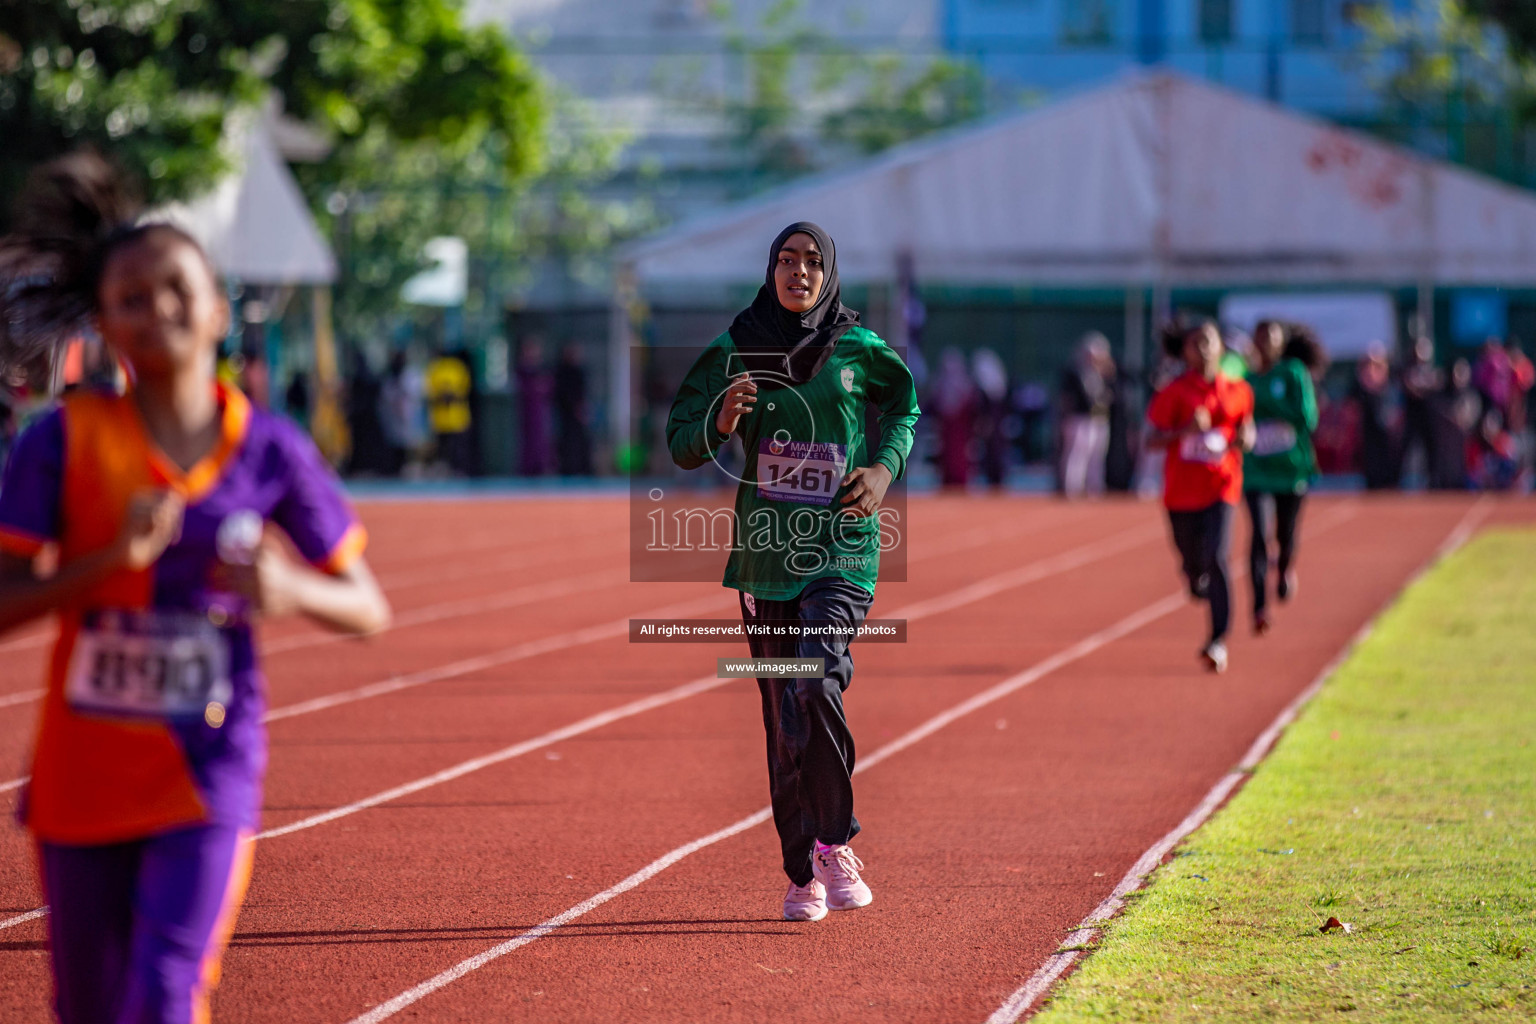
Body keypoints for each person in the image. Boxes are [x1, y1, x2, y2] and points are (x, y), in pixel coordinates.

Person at [0, 152, 391, 1024]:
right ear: (102, 321)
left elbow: (368, 606)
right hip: (82, 776)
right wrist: (108, 564)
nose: (157, 310)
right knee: (90, 1009)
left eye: (176, 288)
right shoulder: (59, 443)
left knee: (169, 994)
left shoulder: (271, 449)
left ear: (219, 305)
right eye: (130, 298)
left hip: (207, 774)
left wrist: (289, 589)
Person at [666, 222, 919, 923]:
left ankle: (836, 843)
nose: (798, 272)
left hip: (841, 549)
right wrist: (717, 424)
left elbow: (905, 404)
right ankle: (800, 871)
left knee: (815, 678)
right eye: (785, 260)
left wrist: (883, 466)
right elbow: (680, 440)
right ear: (770, 269)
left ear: (829, 273)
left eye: (812, 262)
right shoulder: (734, 349)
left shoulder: (858, 348)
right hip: (765, 560)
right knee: (784, 721)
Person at [1146, 318, 1255, 673]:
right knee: (1194, 564)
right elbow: (1150, 440)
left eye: (1209, 341)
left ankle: (1217, 640)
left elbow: (1246, 428)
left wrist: (1246, 440)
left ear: (1221, 347)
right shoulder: (1175, 392)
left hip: (1222, 486)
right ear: (1185, 351)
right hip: (1181, 493)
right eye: (1196, 343)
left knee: (1218, 558)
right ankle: (1195, 580)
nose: (1204, 348)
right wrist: (1185, 431)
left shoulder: (1239, 390)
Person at [1242, 321, 1322, 635]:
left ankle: (1286, 567)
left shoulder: (1293, 373)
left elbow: (1307, 417)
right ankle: (1259, 607)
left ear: (1281, 343)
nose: (1264, 344)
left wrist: (1270, 406)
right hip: (1256, 471)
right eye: (1259, 338)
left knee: (1285, 537)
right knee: (1259, 536)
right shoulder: (1246, 378)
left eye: (1270, 338)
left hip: (1291, 470)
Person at [1057, 332, 1113, 497]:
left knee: (1097, 456)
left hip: (1099, 418)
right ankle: (1072, 488)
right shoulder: (1074, 372)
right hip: (1079, 419)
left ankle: (1094, 487)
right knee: (1077, 454)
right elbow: (1067, 398)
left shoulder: (1104, 373)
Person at [1350, 341, 1397, 489]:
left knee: (1386, 455)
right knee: (1370, 457)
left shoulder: (1387, 380)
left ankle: (1388, 481)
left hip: (1384, 426)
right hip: (1368, 426)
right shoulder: (1361, 381)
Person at [1398, 336, 1442, 487]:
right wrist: (1423, 388)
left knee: (1431, 449)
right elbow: (1410, 387)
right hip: (1411, 416)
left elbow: (1436, 384)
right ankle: (1398, 480)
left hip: (1427, 417)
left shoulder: (1429, 370)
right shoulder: (1408, 369)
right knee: (1405, 448)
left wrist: (1423, 387)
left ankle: (1433, 480)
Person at [424, 345, 474, 476]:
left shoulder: (440, 368)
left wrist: (446, 396)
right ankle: (453, 471)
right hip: (448, 417)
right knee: (448, 449)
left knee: (452, 449)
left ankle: (452, 471)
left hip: (452, 417)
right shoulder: (453, 368)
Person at [932, 347, 974, 488]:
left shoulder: (963, 384)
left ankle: (958, 479)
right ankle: (949, 479)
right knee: (948, 455)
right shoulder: (942, 384)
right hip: (947, 431)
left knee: (958, 455)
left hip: (959, 431)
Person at [553, 342, 595, 476]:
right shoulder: (562, 372)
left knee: (582, 442)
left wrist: (583, 409)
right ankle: (568, 468)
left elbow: (584, 393)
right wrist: (575, 407)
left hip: (578, 413)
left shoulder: (580, 371)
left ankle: (583, 468)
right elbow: (563, 394)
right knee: (568, 443)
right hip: (566, 414)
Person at [971, 347, 1010, 489]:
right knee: (991, 451)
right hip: (995, 424)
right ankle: (993, 480)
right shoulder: (996, 384)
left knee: (995, 451)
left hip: (994, 424)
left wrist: (987, 423)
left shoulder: (990, 387)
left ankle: (997, 479)